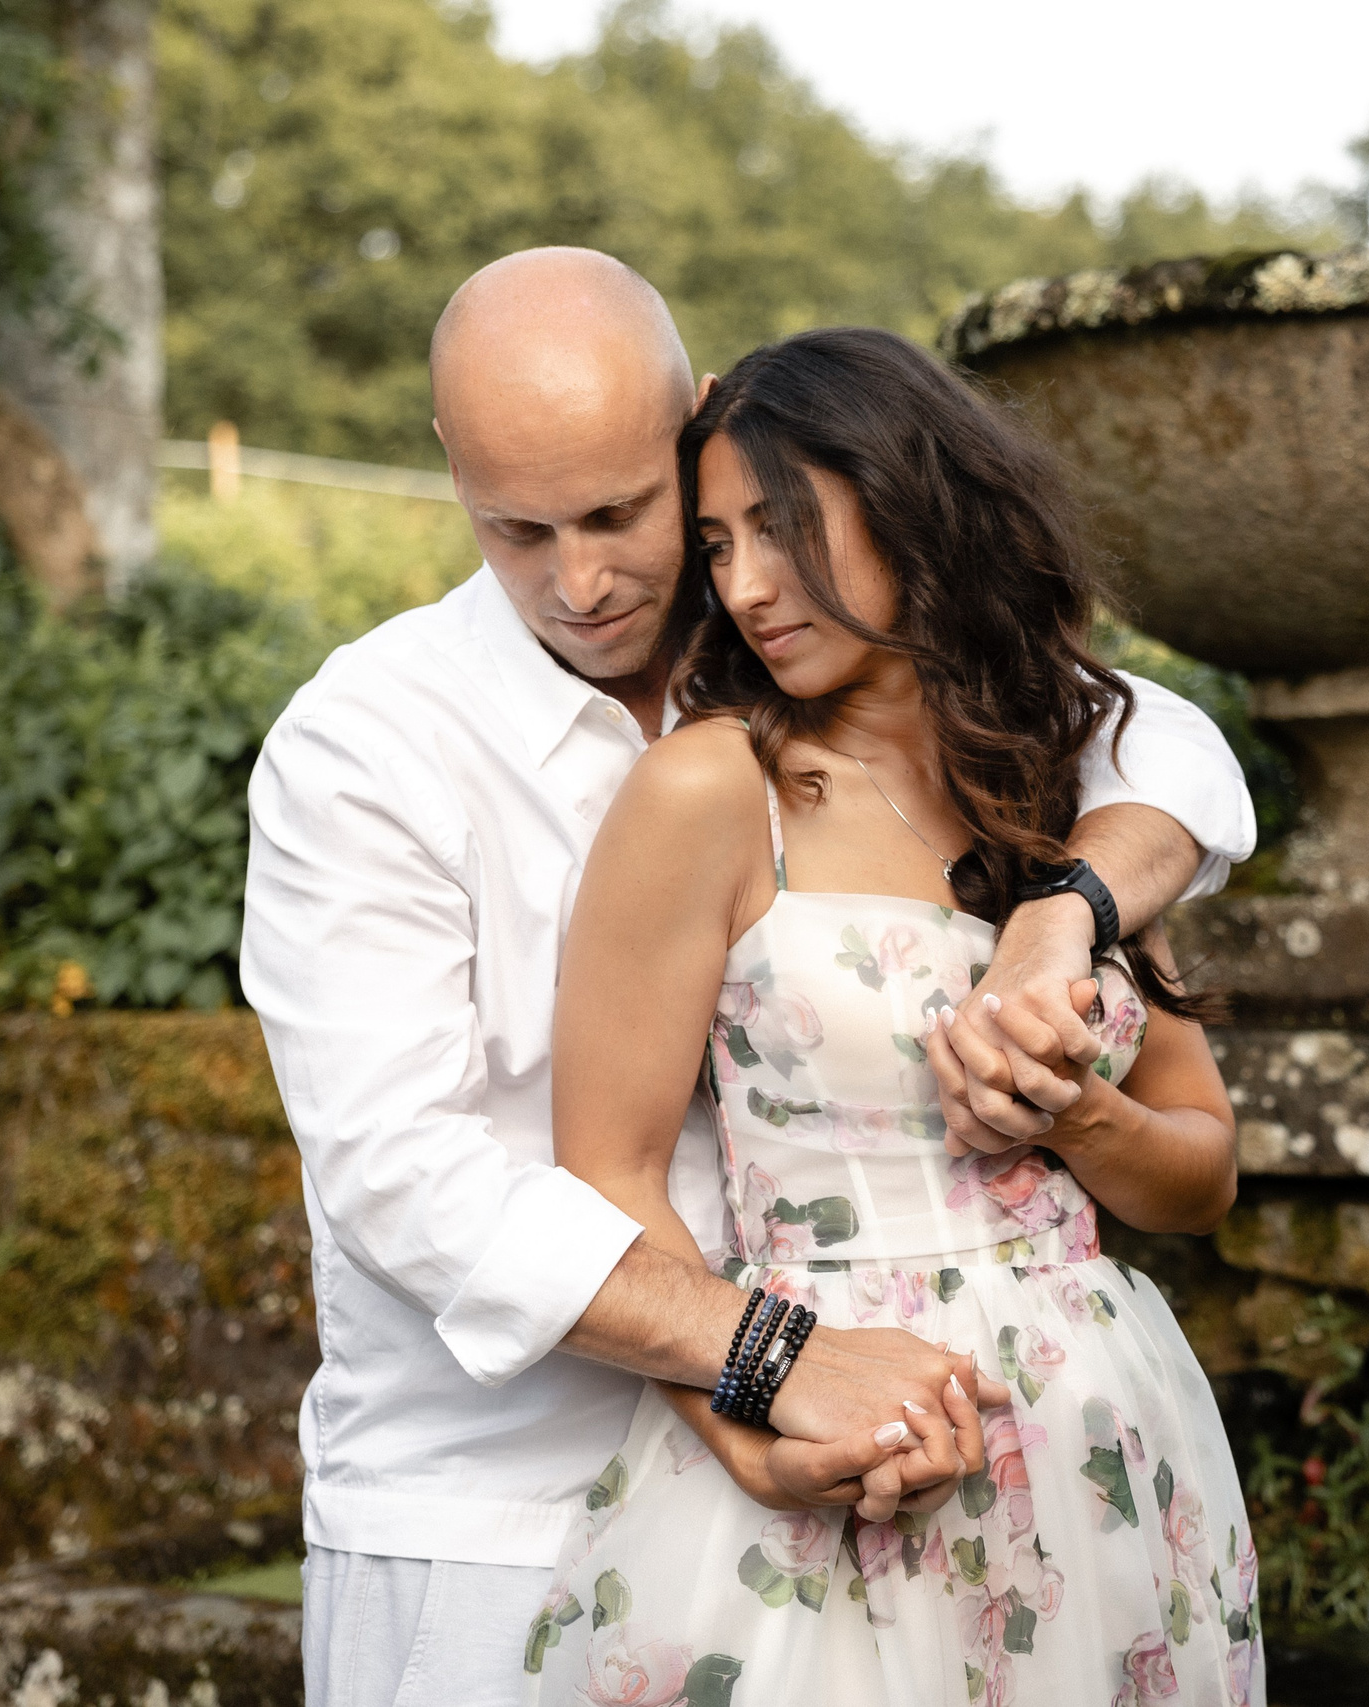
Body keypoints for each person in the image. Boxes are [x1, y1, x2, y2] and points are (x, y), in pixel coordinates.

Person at [241, 248, 1255, 1706]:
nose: (578, 582)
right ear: (453, 476)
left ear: (699, 428)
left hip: (903, 1443)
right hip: (488, 1503)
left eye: (622, 515)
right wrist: (764, 1364)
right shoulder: (366, 746)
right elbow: (401, 1174)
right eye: (515, 528)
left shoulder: (798, 649)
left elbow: (1163, 745)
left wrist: (1063, 920)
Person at [528, 326, 1263, 1707]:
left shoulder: (1068, 789)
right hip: (841, 1435)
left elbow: (1204, 1170)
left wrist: (1082, 1118)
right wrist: (756, 1408)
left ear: (907, 494)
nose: (745, 584)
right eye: (719, 543)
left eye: (783, 526)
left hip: (1097, 1434)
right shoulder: (712, 791)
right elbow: (604, 1180)